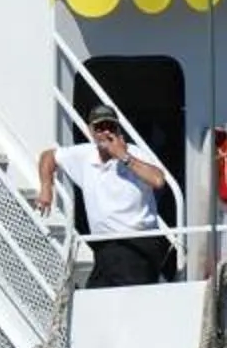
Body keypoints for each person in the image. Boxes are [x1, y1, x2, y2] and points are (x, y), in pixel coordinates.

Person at [35, 111, 178, 287]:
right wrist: (46, 189)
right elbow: (48, 156)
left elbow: (158, 180)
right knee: (94, 298)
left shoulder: (134, 153)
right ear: (90, 131)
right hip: (105, 247)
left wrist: (124, 157)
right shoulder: (84, 155)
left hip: (138, 242)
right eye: (99, 128)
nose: (105, 133)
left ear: (118, 130)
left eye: (110, 127)